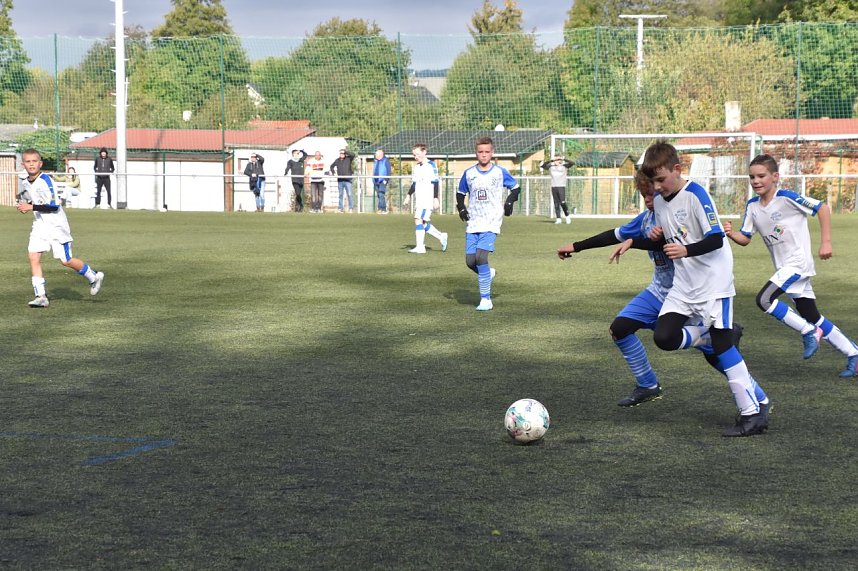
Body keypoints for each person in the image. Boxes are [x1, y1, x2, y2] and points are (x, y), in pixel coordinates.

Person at [558, 170, 767, 408]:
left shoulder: (675, 212)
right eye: (643, 194)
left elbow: (698, 235)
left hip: (689, 294)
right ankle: (648, 385)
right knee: (620, 329)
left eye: (651, 193)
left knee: (719, 354)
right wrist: (576, 246)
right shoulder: (646, 219)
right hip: (659, 292)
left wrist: (658, 237)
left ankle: (757, 397)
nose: (648, 199)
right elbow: (614, 235)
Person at [637, 140, 769, 437]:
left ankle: (752, 415)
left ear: (677, 169)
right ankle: (713, 336)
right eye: (652, 182)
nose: (657, 187)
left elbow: (715, 238)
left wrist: (685, 251)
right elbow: (669, 238)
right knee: (664, 337)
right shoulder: (659, 202)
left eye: (661, 179)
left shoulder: (696, 194)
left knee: (723, 350)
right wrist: (653, 236)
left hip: (714, 283)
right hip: (684, 286)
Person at [725, 154, 858, 378]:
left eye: (761, 176)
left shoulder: (787, 198)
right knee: (812, 314)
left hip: (798, 264)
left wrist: (825, 242)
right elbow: (746, 238)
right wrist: (731, 234)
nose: (756, 181)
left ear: (775, 177)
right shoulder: (753, 206)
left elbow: (822, 208)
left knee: (764, 300)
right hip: (784, 268)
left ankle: (808, 331)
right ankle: (853, 354)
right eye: (752, 177)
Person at [16, 148, 104, 308]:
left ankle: (94, 276)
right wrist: (25, 206)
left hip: (56, 226)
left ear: (40, 163)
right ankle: (41, 296)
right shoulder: (25, 182)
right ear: (23, 164)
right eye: (28, 162)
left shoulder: (46, 180)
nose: (31, 164)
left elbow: (54, 205)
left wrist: (31, 207)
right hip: (40, 225)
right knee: (33, 256)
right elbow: (32, 201)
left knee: (66, 260)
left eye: (34, 161)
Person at [455, 136, 520, 311]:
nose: (484, 155)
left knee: (481, 257)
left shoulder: (499, 172)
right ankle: (488, 273)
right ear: (476, 153)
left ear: (492, 152)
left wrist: (509, 202)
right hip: (474, 221)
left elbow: (515, 188)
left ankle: (486, 299)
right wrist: (461, 208)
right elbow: (460, 193)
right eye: (480, 152)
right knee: (470, 261)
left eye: (487, 152)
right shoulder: (469, 173)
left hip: (492, 221)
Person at [403, 143, 448, 255]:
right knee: (422, 223)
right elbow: (414, 184)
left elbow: (435, 182)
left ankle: (420, 247)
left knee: (418, 219)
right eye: (414, 155)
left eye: (417, 154)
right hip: (419, 199)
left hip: (427, 199)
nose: (415, 157)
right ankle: (441, 236)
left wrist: (435, 198)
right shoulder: (417, 167)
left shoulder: (431, 165)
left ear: (424, 152)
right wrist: (408, 195)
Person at [540, 155, 573, 224]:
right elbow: (543, 166)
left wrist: (564, 159)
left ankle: (567, 216)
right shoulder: (551, 167)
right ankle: (558, 218)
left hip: (561, 186)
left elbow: (572, 163)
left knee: (562, 202)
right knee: (556, 203)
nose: (556, 161)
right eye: (555, 160)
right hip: (554, 186)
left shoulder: (564, 166)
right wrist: (550, 161)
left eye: (558, 160)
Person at [330, 148, 356, 213]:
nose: (342, 154)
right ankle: (340, 208)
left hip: (348, 180)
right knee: (341, 194)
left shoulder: (348, 159)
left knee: (349, 194)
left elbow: (353, 155)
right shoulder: (337, 160)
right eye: (341, 153)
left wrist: (346, 151)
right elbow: (331, 166)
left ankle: (351, 208)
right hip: (340, 180)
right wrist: (333, 172)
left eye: (343, 153)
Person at [372, 148, 392, 214]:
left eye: (377, 154)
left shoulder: (385, 161)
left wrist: (386, 180)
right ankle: (380, 208)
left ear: (381, 154)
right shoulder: (376, 161)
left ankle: (383, 209)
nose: (376, 155)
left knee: (381, 194)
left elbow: (389, 171)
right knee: (379, 195)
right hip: (376, 181)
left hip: (382, 181)